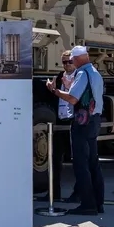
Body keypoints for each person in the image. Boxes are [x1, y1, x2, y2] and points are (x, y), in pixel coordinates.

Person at [46, 45, 104, 215]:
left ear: (78, 59)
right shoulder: (94, 72)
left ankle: (87, 204)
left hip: (82, 121)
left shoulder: (82, 73)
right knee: (94, 163)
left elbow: (72, 98)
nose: (70, 62)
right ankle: (98, 202)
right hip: (94, 120)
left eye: (71, 60)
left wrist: (54, 90)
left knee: (81, 163)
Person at [50, 49, 77, 202]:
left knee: (78, 160)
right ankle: (54, 192)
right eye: (64, 62)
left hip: (75, 121)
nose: (67, 65)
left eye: (69, 62)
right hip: (61, 121)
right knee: (56, 158)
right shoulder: (60, 77)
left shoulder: (80, 77)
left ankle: (78, 193)